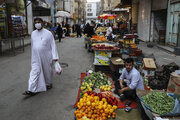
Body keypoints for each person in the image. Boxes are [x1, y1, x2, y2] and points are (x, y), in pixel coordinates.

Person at [23, 18, 59, 95]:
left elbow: (53, 46)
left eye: (39, 22)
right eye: (35, 23)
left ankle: (48, 83)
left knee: (47, 71)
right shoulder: (33, 33)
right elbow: (33, 46)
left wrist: (55, 58)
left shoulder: (48, 33)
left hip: (46, 57)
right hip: (36, 57)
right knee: (34, 72)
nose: (37, 24)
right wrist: (33, 56)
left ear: (42, 23)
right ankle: (31, 89)